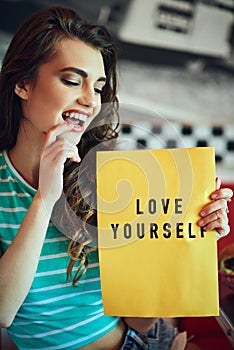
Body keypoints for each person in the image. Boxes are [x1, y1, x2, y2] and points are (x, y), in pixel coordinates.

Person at [0, 6, 232, 350]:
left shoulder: (111, 177)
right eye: (71, 80)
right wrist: (45, 198)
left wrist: (188, 242)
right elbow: (3, 313)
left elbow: (140, 319)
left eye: (97, 87)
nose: (89, 100)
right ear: (22, 84)